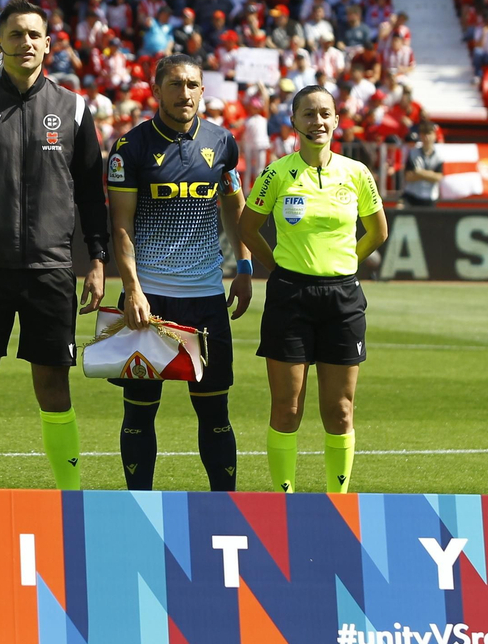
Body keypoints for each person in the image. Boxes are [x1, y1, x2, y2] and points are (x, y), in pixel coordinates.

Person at [0, 0, 109, 490]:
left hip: (52, 271)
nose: (26, 42)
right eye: (16, 34)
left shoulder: (73, 108)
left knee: (54, 389)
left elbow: (91, 193)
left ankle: (70, 499)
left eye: (34, 35)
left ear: (48, 45)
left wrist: (97, 259)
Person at [106, 53, 253, 491]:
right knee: (139, 411)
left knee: (214, 412)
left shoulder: (223, 142)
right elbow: (121, 226)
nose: (184, 93)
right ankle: (139, 506)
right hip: (148, 300)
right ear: (156, 91)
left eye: (192, 84)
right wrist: (132, 290)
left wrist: (244, 266)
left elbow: (233, 205)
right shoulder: (130, 148)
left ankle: (224, 507)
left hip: (206, 300)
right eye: (175, 84)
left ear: (203, 90)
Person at [239, 85, 388, 495]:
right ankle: (283, 500)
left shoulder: (357, 173)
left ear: (337, 120)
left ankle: (336, 502)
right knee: (287, 409)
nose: (317, 121)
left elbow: (378, 231)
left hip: (343, 299)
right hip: (291, 297)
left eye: (325, 113)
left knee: (340, 412)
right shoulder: (276, 172)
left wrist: (347, 264)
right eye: (308, 114)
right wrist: (280, 268)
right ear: (294, 120)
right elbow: (247, 228)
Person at [401, 120, 443, 206]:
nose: (427, 137)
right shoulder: (413, 153)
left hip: (430, 197)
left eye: (429, 134)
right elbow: (408, 176)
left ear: (434, 136)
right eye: (424, 134)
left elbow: (438, 177)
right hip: (412, 195)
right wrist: (430, 175)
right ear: (420, 136)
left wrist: (419, 172)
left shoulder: (439, 155)